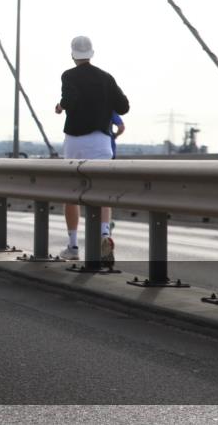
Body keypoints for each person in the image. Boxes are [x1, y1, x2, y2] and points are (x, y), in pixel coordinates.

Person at [54, 36, 129, 266]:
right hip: (101, 141)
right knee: (102, 192)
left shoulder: (69, 75)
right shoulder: (106, 78)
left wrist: (61, 106)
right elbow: (124, 107)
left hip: (76, 141)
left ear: (72, 54)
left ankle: (73, 245)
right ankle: (104, 235)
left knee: (72, 194)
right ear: (91, 53)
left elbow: (70, 99)